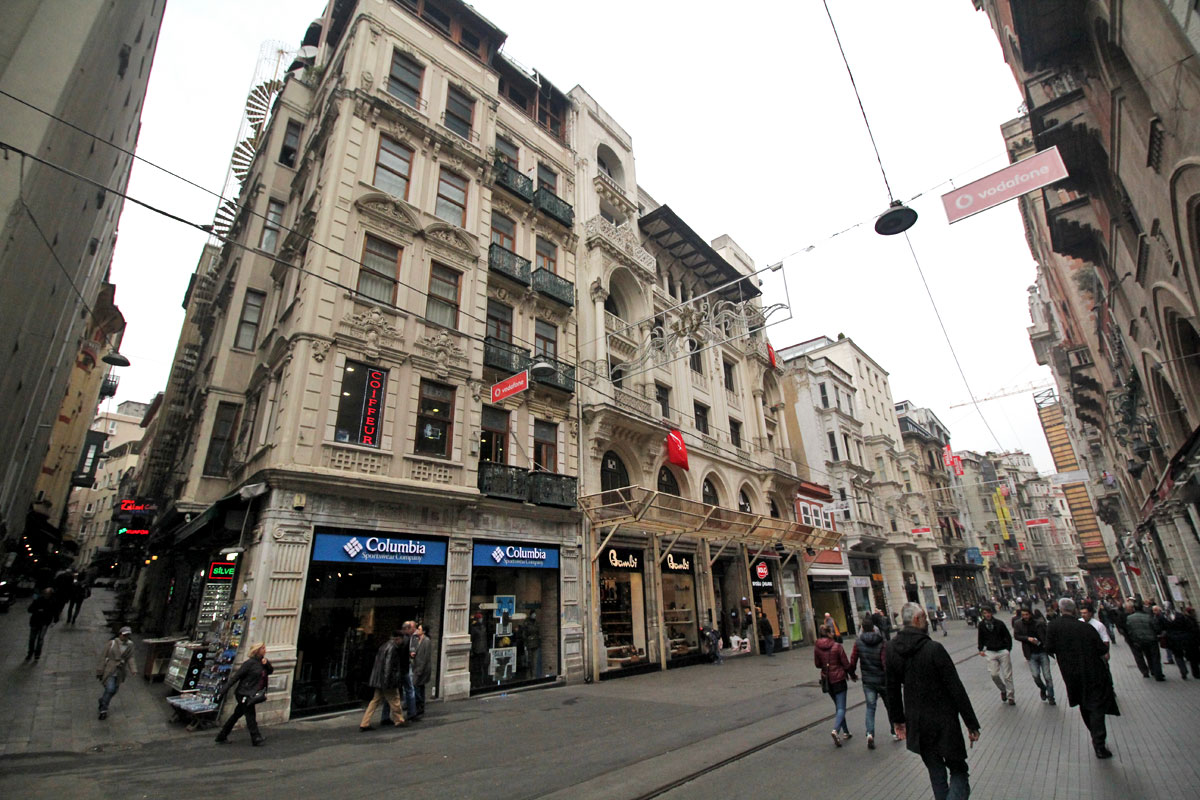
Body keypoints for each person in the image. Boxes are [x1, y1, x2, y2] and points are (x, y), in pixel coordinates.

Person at [886, 603, 981, 800]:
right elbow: (956, 688)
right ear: (917, 620)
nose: (928, 621)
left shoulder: (892, 649)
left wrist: (898, 721)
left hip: (917, 722)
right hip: (943, 720)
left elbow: (892, 690)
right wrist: (971, 724)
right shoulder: (934, 649)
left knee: (936, 772)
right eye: (924, 618)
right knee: (958, 769)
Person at [1044, 598, 1120, 759]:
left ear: (1060, 609)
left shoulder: (1053, 626)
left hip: (1070, 674)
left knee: (1083, 704)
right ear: (1075, 610)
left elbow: (1049, 647)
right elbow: (1101, 649)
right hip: (1092, 671)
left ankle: (1095, 733)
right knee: (1096, 705)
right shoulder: (1085, 628)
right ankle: (1099, 742)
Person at [848, 616, 896, 748]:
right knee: (889, 706)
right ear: (874, 628)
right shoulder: (882, 642)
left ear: (862, 628)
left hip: (868, 681)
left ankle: (870, 733)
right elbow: (885, 662)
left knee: (870, 707)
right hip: (882, 680)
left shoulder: (858, 643)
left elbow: (853, 661)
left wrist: (852, 674)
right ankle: (894, 731)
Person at [215, 643, 273, 746]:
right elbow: (235, 677)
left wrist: (266, 664)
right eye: (263, 648)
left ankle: (222, 736)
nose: (265, 650)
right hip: (244, 693)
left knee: (237, 714)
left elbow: (270, 671)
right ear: (257, 650)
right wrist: (223, 691)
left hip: (251, 693)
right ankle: (256, 738)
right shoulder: (248, 664)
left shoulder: (262, 662)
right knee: (250, 715)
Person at [360, 629, 408, 731]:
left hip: (378, 680)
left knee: (375, 701)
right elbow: (388, 666)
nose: (402, 642)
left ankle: (365, 722)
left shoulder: (384, 646)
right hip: (387, 680)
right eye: (401, 640)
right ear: (398, 639)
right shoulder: (392, 648)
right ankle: (399, 720)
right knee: (395, 699)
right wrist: (387, 682)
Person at [814, 624, 854, 746]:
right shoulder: (837, 646)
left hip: (827, 680)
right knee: (841, 707)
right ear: (829, 633)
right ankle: (836, 730)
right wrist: (852, 674)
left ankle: (846, 732)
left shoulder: (817, 647)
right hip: (839, 679)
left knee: (838, 707)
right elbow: (846, 664)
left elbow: (817, 664)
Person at [1012, 606, 1055, 705]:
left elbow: (1047, 635)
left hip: (1042, 652)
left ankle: (1051, 696)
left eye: (1026, 614)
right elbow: (1016, 636)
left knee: (1047, 676)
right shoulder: (1018, 624)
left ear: (1030, 614)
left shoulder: (1039, 623)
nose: (1025, 617)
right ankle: (1043, 688)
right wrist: (1027, 638)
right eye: (1023, 615)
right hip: (1030, 654)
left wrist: (1048, 646)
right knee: (1036, 676)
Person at [977, 605, 1015, 705]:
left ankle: (1011, 696)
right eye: (985, 613)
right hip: (990, 652)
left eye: (988, 613)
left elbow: (1007, 636)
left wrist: (1008, 649)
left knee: (1007, 675)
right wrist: (980, 649)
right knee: (994, 674)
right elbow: (980, 638)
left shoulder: (999, 623)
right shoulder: (981, 625)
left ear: (991, 613)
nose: (987, 615)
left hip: (1002, 651)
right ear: (983, 615)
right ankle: (1003, 690)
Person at [96, 625, 137, 719]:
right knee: (110, 689)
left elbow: (131, 657)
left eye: (128, 635)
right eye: (124, 635)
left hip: (120, 672)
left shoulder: (130, 645)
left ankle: (102, 700)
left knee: (114, 690)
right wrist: (100, 670)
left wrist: (133, 669)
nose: (125, 637)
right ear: (120, 634)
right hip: (110, 670)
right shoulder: (112, 643)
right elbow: (103, 657)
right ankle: (103, 709)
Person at [1123, 599, 1164, 680]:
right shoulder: (1148, 617)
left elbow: (1129, 630)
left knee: (1148, 655)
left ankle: (1150, 670)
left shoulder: (1130, 618)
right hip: (1151, 639)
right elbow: (1155, 627)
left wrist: (1133, 639)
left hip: (1139, 640)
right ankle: (1158, 674)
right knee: (1155, 657)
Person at [1163, 608, 1199, 679]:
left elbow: (1162, 629)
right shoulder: (1181, 616)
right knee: (1191, 655)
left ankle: (1183, 671)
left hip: (1173, 639)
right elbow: (1188, 626)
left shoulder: (1164, 618)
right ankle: (1196, 672)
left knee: (1178, 656)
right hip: (1184, 637)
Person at [409, 623, 432, 720]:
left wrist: (420, 670)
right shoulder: (418, 640)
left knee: (416, 686)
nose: (417, 630)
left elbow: (425, 657)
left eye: (419, 629)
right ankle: (420, 706)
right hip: (418, 667)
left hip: (421, 668)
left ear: (424, 631)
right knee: (420, 687)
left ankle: (419, 706)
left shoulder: (426, 641)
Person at [26, 587, 55, 662]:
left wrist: (51, 621)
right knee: (32, 639)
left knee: (40, 639)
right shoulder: (38, 600)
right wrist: (38, 611)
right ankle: (30, 653)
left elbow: (53, 613)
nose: (46, 595)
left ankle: (37, 654)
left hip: (44, 623)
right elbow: (30, 609)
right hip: (35, 622)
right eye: (45, 593)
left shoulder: (52, 602)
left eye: (48, 594)